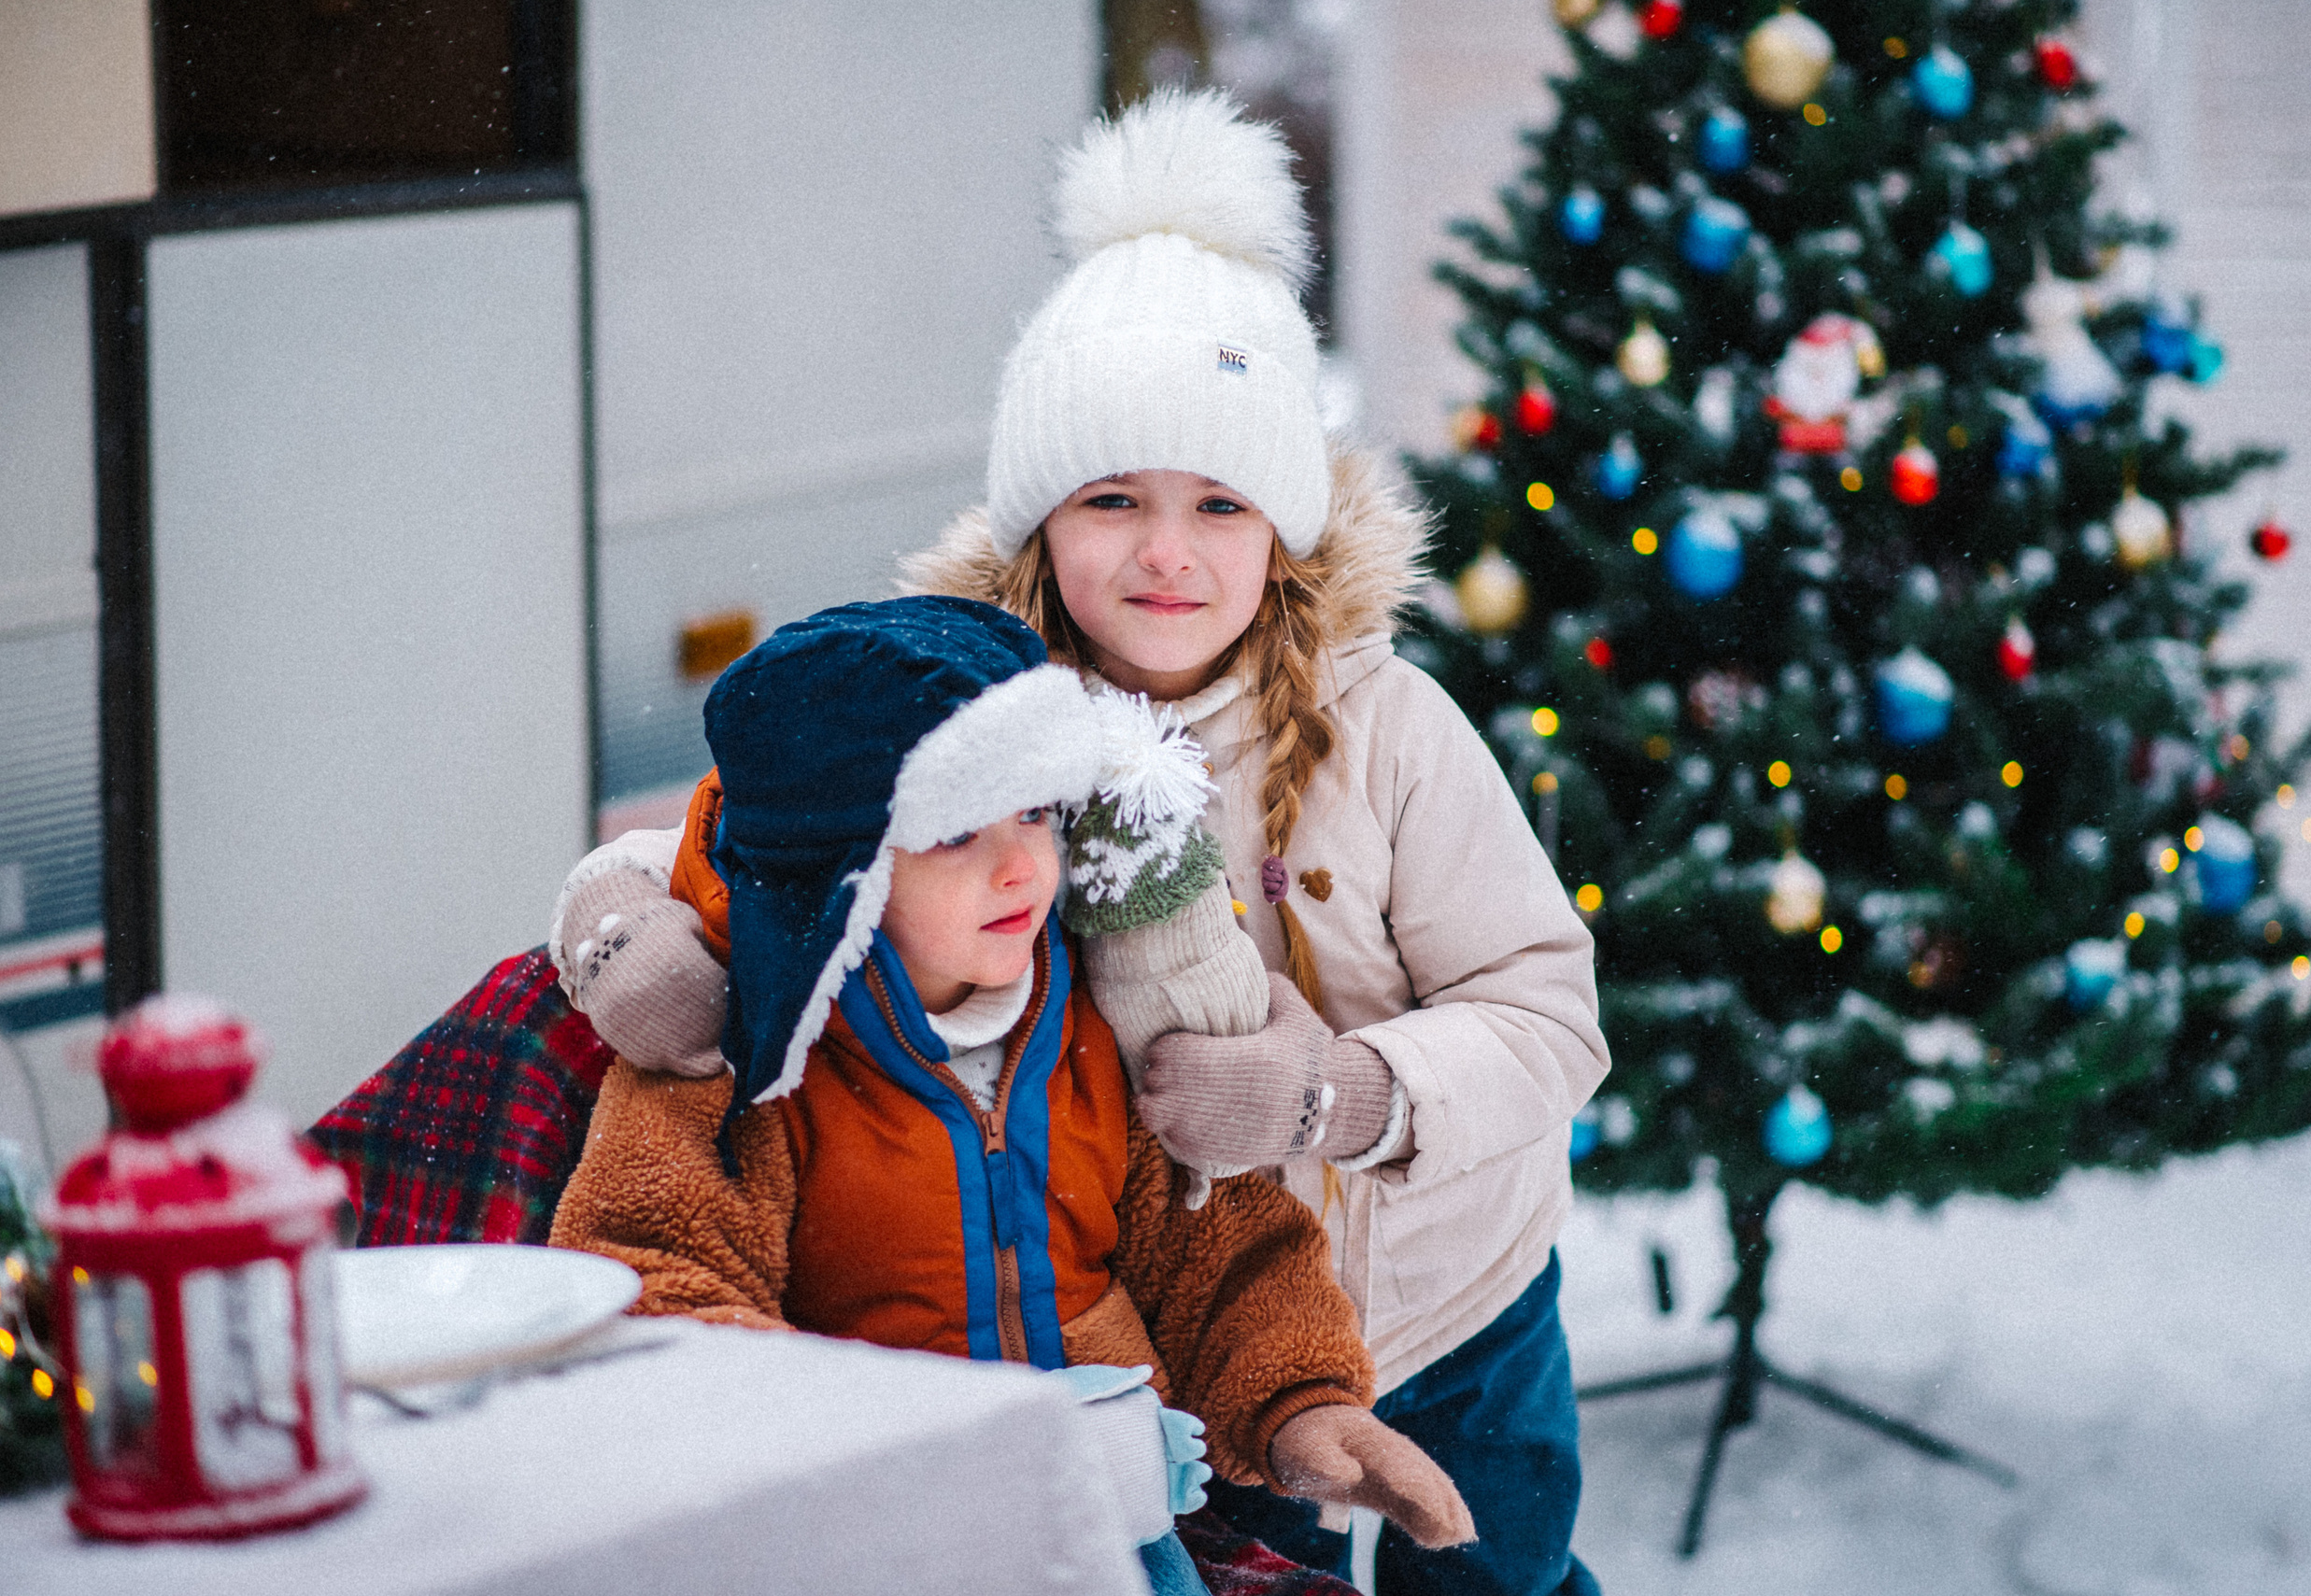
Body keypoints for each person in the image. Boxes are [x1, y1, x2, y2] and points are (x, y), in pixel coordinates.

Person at [553, 92, 1609, 1594]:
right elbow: (791, 812)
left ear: (1286, 529)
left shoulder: (1389, 729)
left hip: (1454, 1305)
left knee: (1493, 1575)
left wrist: (1341, 1094)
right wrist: (621, 911)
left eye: (1219, 503)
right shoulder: (974, 703)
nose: (1166, 552)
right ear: (1044, 517)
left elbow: (1547, 1017)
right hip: (1209, 1330)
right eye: (1113, 497)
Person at [549, 596, 1473, 1591]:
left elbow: (1211, 1245)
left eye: (1035, 812)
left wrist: (1303, 1405)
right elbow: (658, 1285)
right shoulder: (746, 1067)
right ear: (838, 874)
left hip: (1106, 1521)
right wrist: (889, 1450)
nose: (1018, 866)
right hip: (871, 1541)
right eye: (956, 833)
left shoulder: (1091, 1014)